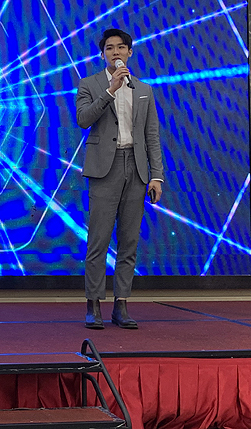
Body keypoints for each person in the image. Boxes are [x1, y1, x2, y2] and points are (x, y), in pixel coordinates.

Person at [75, 29, 164, 329]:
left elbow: (152, 135)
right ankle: (93, 305)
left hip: (136, 169)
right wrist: (110, 90)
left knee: (129, 241)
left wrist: (157, 176)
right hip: (105, 169)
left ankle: (121, 305)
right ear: (103, 55)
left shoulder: (144, 89)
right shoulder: (89, 84)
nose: (116, 52)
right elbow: (83, 119)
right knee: (98, 240)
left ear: (130, 52)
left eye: (121, 47)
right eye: (110, 48)